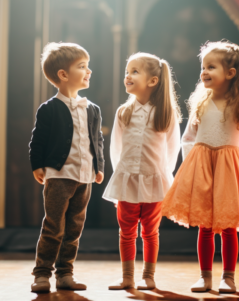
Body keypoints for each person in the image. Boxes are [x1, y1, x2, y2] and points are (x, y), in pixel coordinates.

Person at [162, 41, 239, 293]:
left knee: (229, 227)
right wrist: (196, 161)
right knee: (205, 225)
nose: (204, 71)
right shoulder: (201, 103)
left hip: (228, 169)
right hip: (201, 167)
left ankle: (228, 277)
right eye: (203, 66)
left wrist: (227, 162)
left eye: (211, 67)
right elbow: (189, 137)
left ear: (230, 74)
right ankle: (205, 276)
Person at [29, 42, 104, 293]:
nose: (89, 71)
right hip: (60, 176)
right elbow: (37, 140)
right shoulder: (49, 109)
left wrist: (99, 166)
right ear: (63, 74)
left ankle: (65, 274)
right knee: (53, 226)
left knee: (74, 228)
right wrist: (37, 165)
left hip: (85, 178)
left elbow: (97, 141)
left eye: (88, 66)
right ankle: (41, 274)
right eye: (82, 66)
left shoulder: (92, 109)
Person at [103, 52, 181, 290]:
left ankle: (148, 276)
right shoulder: (123, 112)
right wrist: (121, 178)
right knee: (126, 231)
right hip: (127, 181)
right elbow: (115, 148)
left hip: (155, 181)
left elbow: (172, 150)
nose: (128, 75)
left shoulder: (166, 114)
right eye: (127, 71)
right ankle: (127, 277)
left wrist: (163, 178)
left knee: (150, 232)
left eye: (135, 71)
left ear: (152, 81)